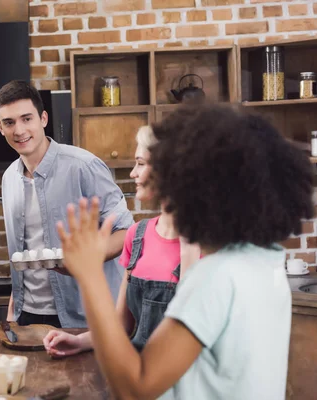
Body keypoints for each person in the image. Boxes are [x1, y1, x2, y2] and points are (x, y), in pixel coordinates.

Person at [53, 104, 314, 399]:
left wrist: (90, 278)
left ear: (197, 187)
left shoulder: (216, 278)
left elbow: (135, 388)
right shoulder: (263, 260)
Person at [43, 125, 200, 356]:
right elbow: (121, 326)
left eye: (141, 163)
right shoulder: (137, 235)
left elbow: (191, 338)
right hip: (136, 374)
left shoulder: (204, 244)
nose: (132, 173)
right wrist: (79, 341)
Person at [0, 80, 134, 328]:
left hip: (85, 315)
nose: (19, 130)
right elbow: (24, 252)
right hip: (28, 316)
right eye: (9, 122)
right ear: (0, 127)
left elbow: (127, 233)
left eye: (27, 119)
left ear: (44, 119)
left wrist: (85, 260)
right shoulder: (9, 179)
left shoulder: (83, 166)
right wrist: (12, 314)